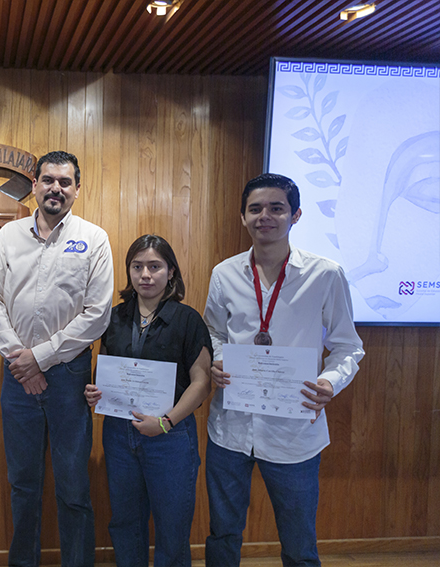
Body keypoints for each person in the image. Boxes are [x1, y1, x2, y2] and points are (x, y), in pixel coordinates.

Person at [203, 173, 365, 566]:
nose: (265, 216)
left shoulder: (325, 274)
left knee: (298, 543)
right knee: (223, 534)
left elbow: (348, 346)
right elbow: (211, 331)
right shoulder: (225, 273)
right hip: (230, 428)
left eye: (277, 208)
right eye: (255, 208)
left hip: (294, 432)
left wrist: (329, 381)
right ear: (243, 216)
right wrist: (218, 359)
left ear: (295, 215)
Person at [0, 150, 114, 567]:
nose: (56, 188)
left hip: (68, 376)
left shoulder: (94, 239)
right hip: (17, 377)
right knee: (23, 484)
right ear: (35, 185)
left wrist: (39, 359)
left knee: (73, 486)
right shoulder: (9, 236)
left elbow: (97, 315)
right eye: (48, 180)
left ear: (77, 189)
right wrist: (22, 363)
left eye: (65, 182)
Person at [85, 234, 212, 567]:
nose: (145, 275)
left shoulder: (188, 320)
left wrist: (166, 422)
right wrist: (94, 393)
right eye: (137, 266)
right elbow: (105, 375)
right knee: (125, 523)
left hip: (169, 436)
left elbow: (201, 382)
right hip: (118, 434)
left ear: (171, 272)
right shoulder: (113, 318)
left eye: (155, 267)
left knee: (172, 528)